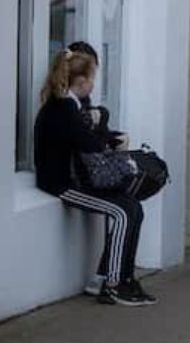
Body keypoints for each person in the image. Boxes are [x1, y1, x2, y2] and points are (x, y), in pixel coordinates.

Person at [34, 48, 156, 306]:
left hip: (78, 179)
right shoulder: (64, 109)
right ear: (81, 82)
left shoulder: (70, 105)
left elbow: (90, 138)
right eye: (92, 78)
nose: (93, 84)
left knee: (133, 207)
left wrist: (108, 135)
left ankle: (123, 277)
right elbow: (89, 144)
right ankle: (112, 285)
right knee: (122, 212)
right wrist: (113, 144)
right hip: (63, 184)